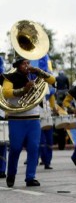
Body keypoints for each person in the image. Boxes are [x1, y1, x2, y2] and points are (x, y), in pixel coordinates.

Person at [2, 55, 56, 187]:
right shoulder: (10, 77)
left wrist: (38, 71)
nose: (27, 66)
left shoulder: (34, 75)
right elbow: (6, 92)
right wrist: (24, 89)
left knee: (33, 148)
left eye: (28, 63)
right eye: (24, 63)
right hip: (17, 118)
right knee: (15, 148)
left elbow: (52, 80)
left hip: (33, 118)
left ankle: (30, 177)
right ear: (18, 65)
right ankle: (11, 173)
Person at [37, 55, 56, 170]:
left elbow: (53, 104)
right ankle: (43, 159)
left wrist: (56, 110)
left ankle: (48, 161)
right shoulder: (36, 87)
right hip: (38, 115)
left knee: (49, 141)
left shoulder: (51, 91)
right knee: (41, 141)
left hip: (48, 115)